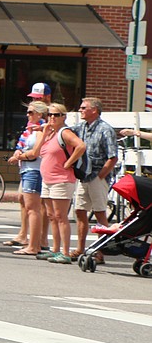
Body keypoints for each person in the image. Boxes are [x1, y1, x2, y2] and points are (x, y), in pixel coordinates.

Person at [36, 103, 85, 264]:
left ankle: (64, 251)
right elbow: (38, 152)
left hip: (61, 180)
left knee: (60, 216)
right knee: (51, 216)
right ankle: (55, 249)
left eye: (56, 115)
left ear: (63, 117)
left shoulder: (65, 132)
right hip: (48, 180)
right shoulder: (51, 133)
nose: (52, 118)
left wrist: (68, 162)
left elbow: (81, 146)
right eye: (49, 114)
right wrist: (44, 133)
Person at [72, 97, 117, 259]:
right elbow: (65, 131)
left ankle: (100, 251)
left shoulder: (105, 129)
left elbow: (113, 157)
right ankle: (80, 249)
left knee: (100, 213)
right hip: (84, 176)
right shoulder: (81, 127)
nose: (80, 110)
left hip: (98, 176)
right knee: (79, 210)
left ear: (94, 110)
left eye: (84, 108)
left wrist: (101, 176)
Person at [5, 101, 47, 256]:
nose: (28, 115)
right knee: (27, 206)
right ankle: (30, 241)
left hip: (34, 170)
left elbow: (36, 153)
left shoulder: (41, 130)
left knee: (33, 209)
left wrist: (20, 156)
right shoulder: (30, 130)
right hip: (26, 169)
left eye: (31, 112)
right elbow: (22, 146)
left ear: (39, 114)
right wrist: (18, 152)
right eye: (27, 112)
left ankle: (34, 245)